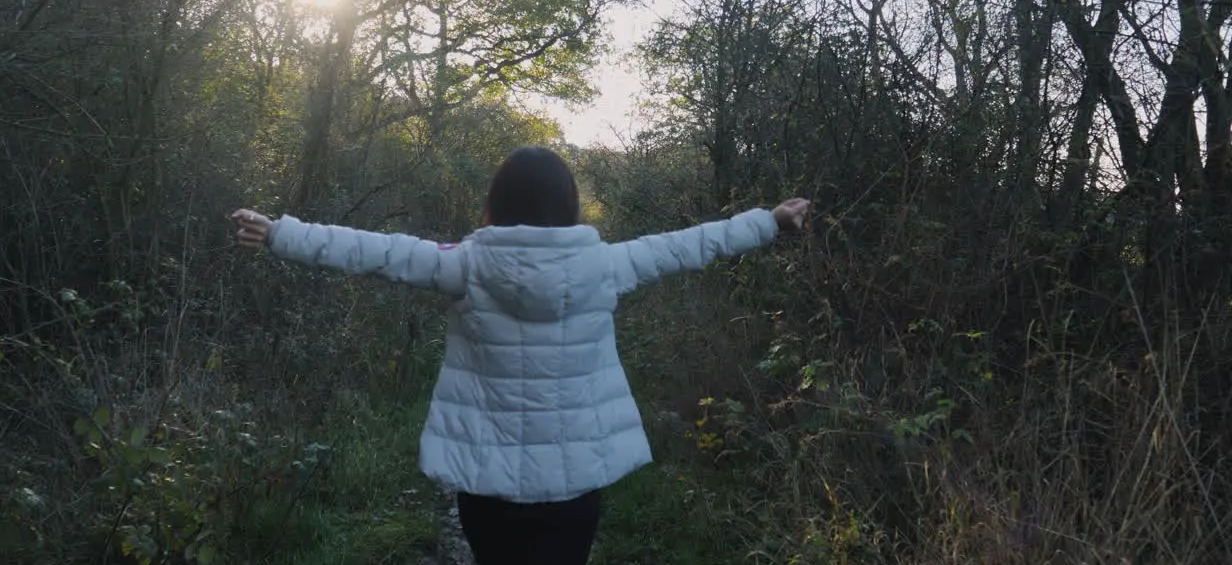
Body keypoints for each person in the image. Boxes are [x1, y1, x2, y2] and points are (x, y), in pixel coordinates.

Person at [230, 146, 810, 565]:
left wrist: (280, 232)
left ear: (496, 204)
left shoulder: (465, 263)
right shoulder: (606, 265)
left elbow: (374, 252)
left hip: (487, 483)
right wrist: (769, 221)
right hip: (576, 484)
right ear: (570, 205)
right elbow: (692, 245)